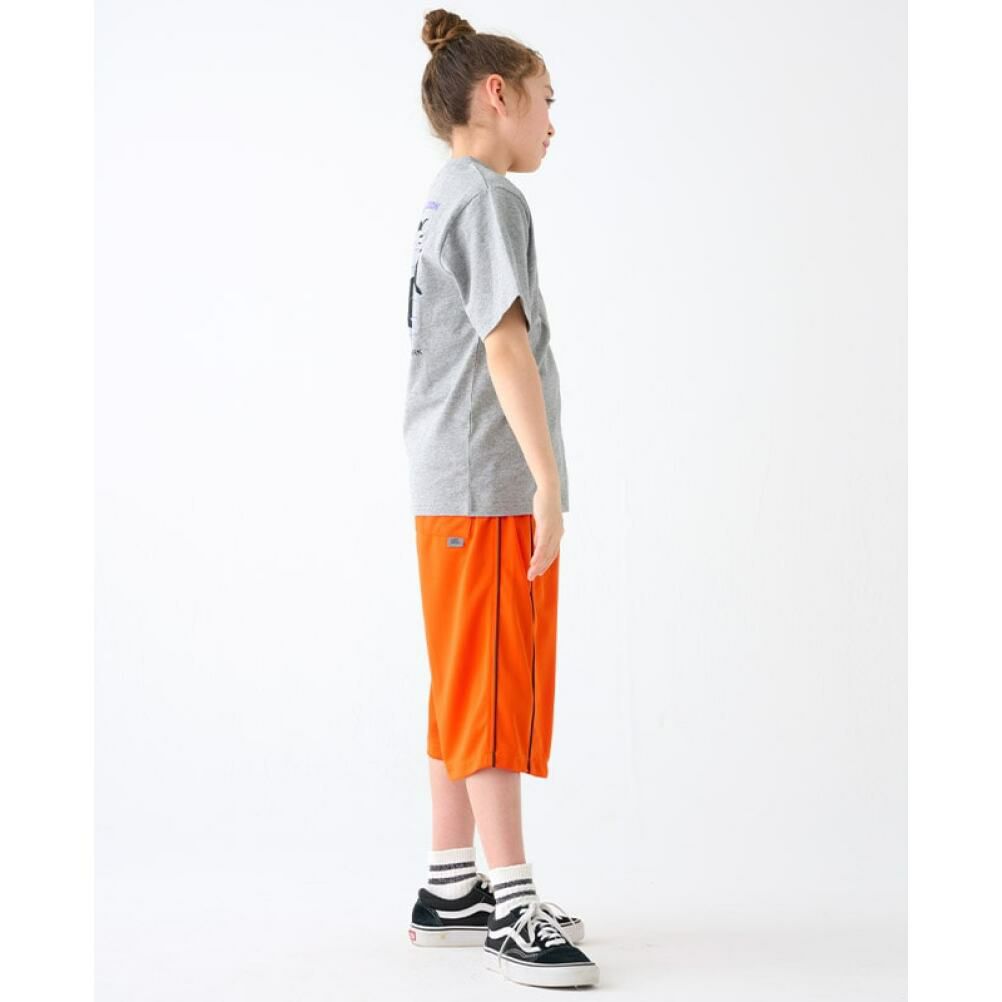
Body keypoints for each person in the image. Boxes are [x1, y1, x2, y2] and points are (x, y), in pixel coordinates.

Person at [401, 8, 600, 991]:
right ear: (497, 95)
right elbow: (505, 342)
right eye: (546, 101)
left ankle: (452, 889)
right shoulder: (486, 197)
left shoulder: (448, 194)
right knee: (486, 689)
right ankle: (512, 904)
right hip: (483, 487)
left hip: (450, 483)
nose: (553, 122)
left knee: (462, 680)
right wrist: (549, 481)